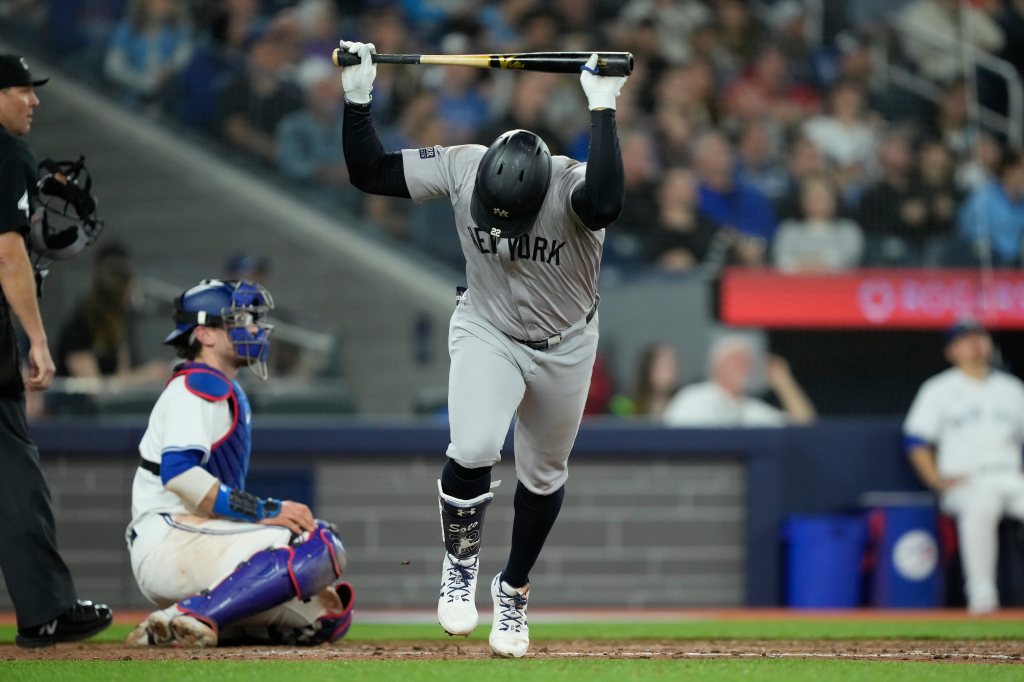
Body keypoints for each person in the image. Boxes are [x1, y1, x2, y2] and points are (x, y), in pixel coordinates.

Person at [340, 40, 626, 657]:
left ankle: (514, 591)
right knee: (470, 446)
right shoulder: (465, 164)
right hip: (488, 327)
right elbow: (371, 172)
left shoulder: (575, 187)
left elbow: (609, 202)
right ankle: (460, 566)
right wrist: (358, 96)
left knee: (543, 476)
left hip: (566, 342)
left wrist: (602, 105)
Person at [125, 278, 353, 647]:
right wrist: (265, 509)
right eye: (241, 320)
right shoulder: (195, 386)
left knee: (326, 615)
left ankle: (175, 622)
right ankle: (193, 614)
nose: (254, 329)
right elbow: (179, 474)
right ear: (205, 335)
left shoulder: (221, 386)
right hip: (168, 537)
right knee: (315, 542)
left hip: (196, 538)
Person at [0, 53, 112, 648]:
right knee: (14, 471)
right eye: (21, 89)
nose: (34, 100)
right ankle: (45, 609)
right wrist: (37, 339)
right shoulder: (7, 152)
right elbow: (8, 253)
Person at [903, 319, 1024, 614]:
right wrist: (936, 480)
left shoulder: (1011, 388)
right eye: (965, 339)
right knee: (981, 505)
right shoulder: (939, 389)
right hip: (968, 480)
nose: (974, 343)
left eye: (979, 337)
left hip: (1009, 474)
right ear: (951, 351)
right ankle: (982, 597)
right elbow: (916, 440)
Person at [55, 242, 166, 385]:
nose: (130, 302)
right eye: (128, 295)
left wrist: (151, 373)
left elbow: (122, 376)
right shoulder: (78, 327)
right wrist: (144, 376)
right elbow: (93, 387)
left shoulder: (121, 322)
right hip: (76, 406)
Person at [663, 335, 816, 427]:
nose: (744, 368)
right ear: (718, 365)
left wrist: (784, 382)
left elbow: (805, 425)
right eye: (737, 361)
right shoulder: (693, 398)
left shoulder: (752, 410)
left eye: (747, 363)